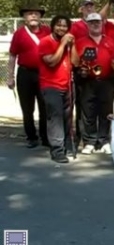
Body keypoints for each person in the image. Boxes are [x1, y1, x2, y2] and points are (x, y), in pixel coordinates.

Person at [7, 4, 50, 148]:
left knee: (45, 106)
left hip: (44, 74)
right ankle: (31, 136)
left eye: (36, 13)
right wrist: (10, 76)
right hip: (25, 73)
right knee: (27, 107)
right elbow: (13, 56)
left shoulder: (47, 31)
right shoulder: (19, 34)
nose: (33, 16)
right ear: (24, 18)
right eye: (30, 13)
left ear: (40, 17)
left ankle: (45, 137)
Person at [38, 15, 79, 164]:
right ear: (53, 26)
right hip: (50, 85)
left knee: (67, 117)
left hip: (67, 84)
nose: (62, 28)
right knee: (55, 117)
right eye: (58, 25)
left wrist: (72, 45)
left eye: (65, 26)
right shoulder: (45, 42)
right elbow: (52, 62)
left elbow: (76, 62)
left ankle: (67, 144)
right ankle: (56, 150)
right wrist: (62, 45)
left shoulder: (69, 43)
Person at [76, 13, 114, 155]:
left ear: (102, 23)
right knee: (88, 112)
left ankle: (104, 140)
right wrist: (81, 71)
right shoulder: (80, 42)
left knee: (106, 112)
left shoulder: (110, 41)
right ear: (87, 24)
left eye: (97, 22)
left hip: (107, 81)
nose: (95, 24)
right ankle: (89, 141)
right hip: (88, 82)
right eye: (92, 22)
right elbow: (75, 61)